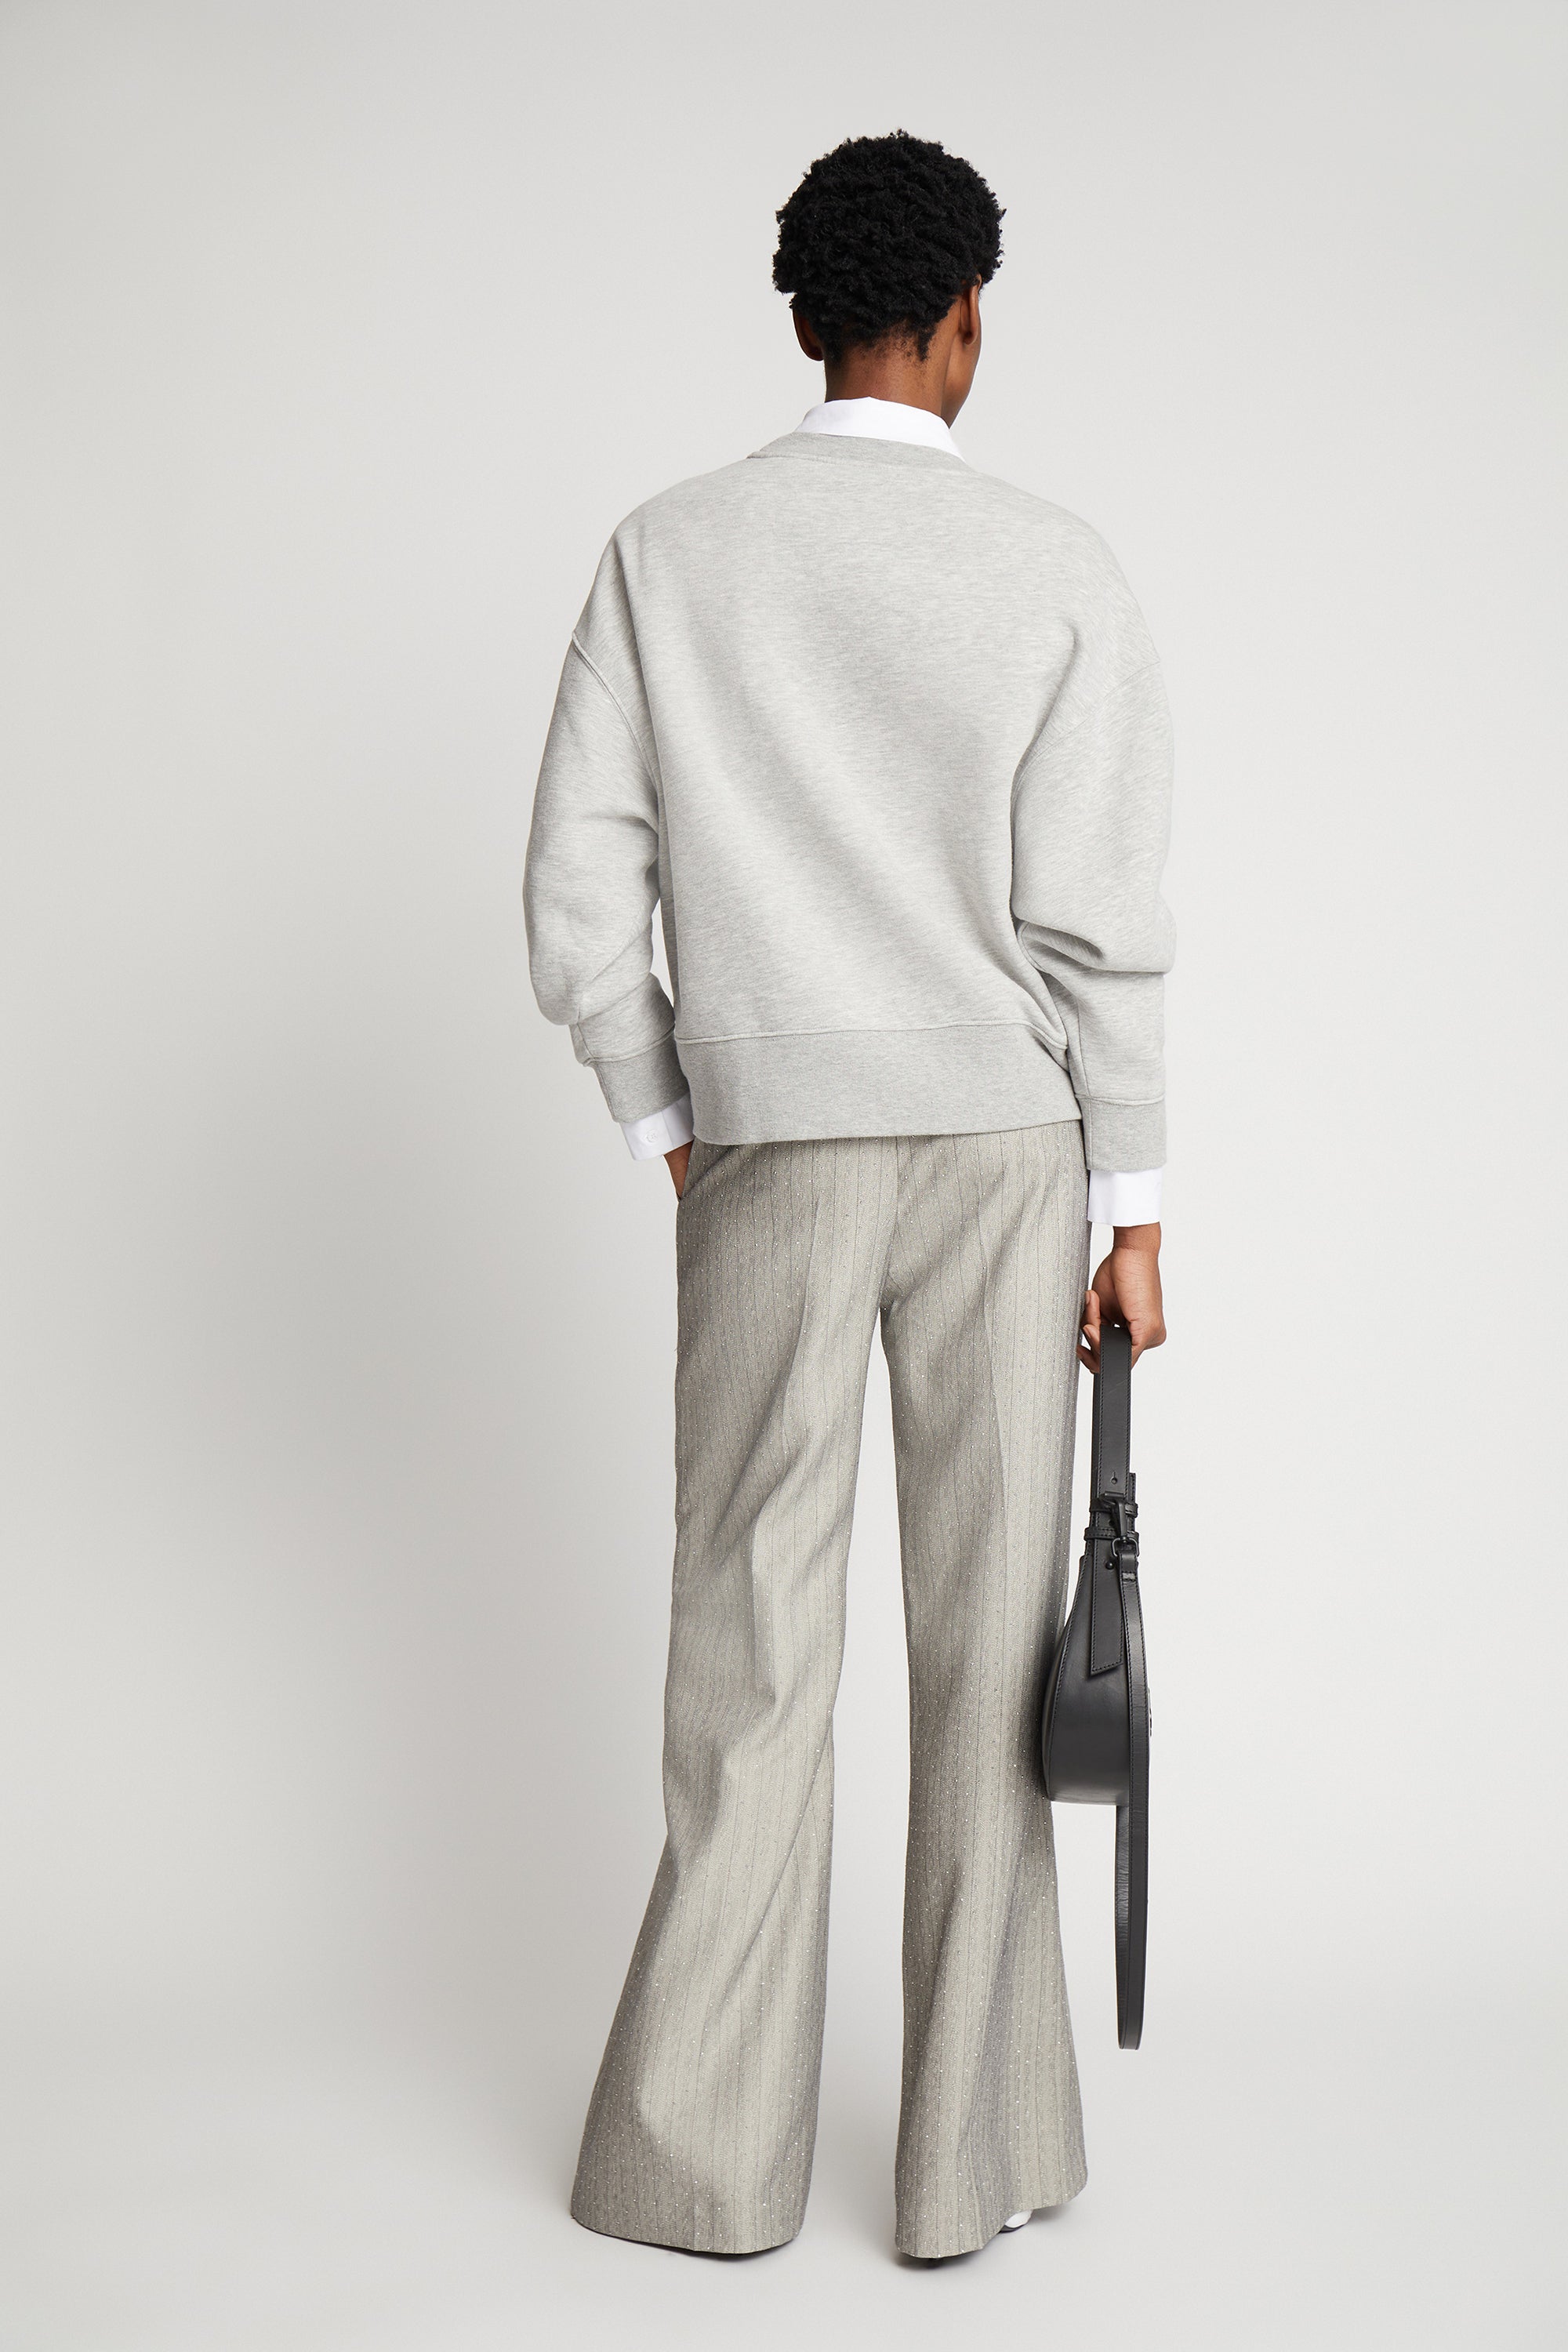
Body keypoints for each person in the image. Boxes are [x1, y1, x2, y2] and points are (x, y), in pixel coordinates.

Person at [524, 129, 1174, 2263]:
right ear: (966, 321)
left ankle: (697, 2169)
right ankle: (974, 2167)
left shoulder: (669, 550)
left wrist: (669, 1111)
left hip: (771, 1147)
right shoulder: (1058, 565)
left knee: (747, 1646)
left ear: (803, 315)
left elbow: (575, 896)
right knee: (990, 1656)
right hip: (1008, 1152)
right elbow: (1101, 928)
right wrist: (1133, 1205)